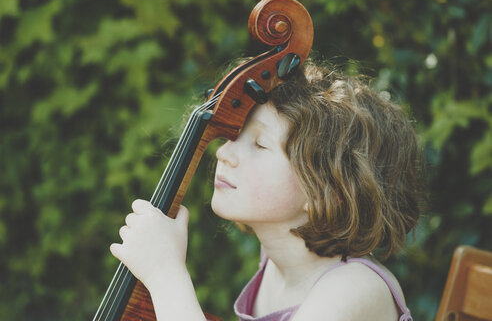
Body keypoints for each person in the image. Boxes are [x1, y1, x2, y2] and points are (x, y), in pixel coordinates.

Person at [110, 60, 422, 321]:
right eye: (236, 134)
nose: (224, 153)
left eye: (259, 144)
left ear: (326, 190)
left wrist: (166, 274)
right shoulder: (276, 262)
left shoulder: (353, 289)